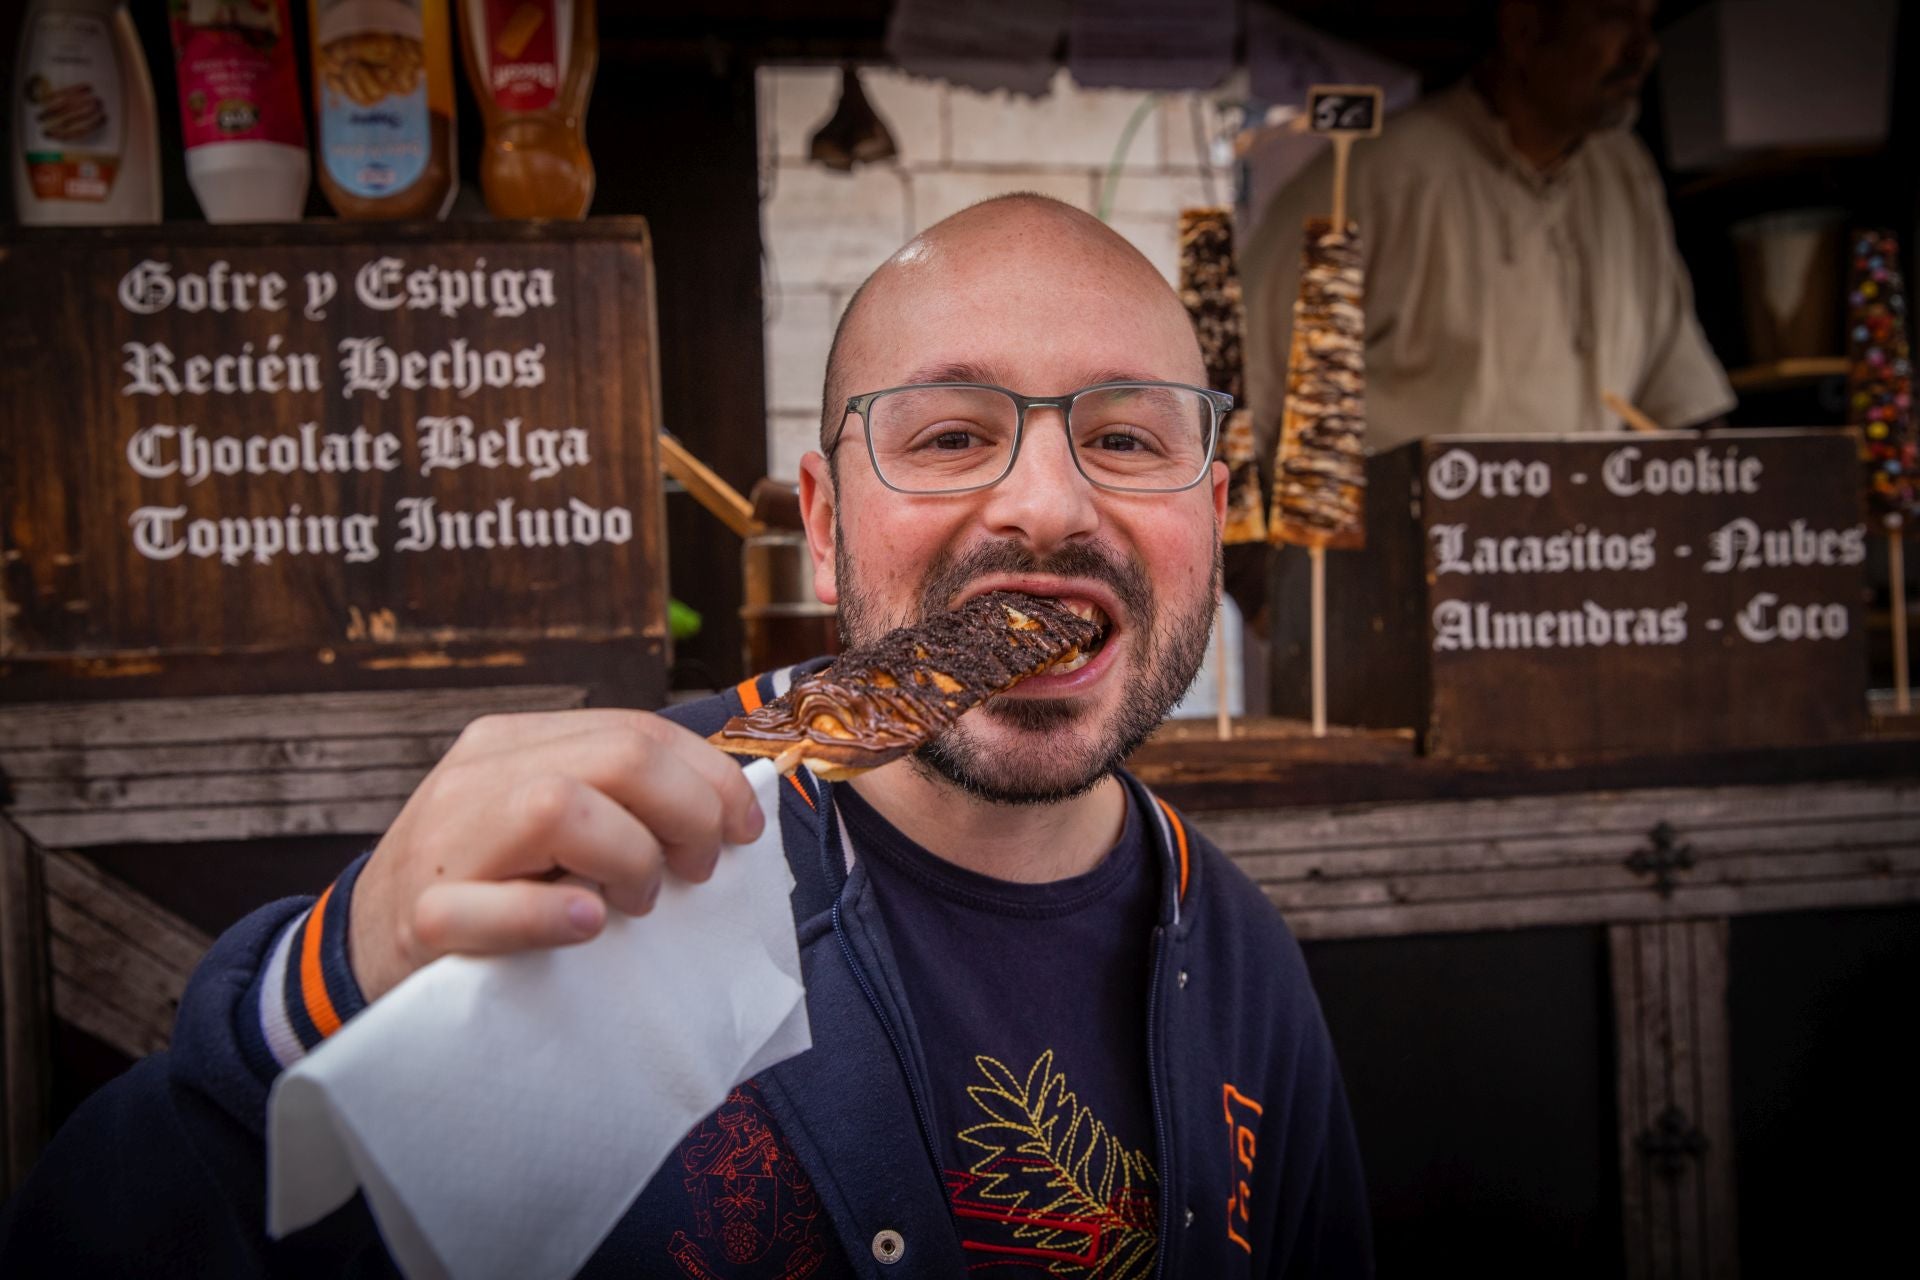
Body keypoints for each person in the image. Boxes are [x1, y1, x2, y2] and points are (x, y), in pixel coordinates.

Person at [0, 196, 1371, 1277]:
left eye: (1129, 440)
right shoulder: (606, 873)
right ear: (825, 525)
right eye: (952, 434)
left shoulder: (1243, 959)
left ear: (1215, 510)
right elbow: (108, 1237)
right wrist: (337, 984)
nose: (1045, 502)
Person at [1243, 0, 1735, 458]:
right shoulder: (1378, 178)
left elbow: (1678, 391)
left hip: (1588, 536)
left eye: (1647, 22)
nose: (1643, 49)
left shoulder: (1624, 174)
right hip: (1405, 541)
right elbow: (1246, 384)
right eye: (1612, 17)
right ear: (1523, 30)